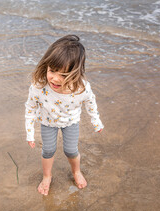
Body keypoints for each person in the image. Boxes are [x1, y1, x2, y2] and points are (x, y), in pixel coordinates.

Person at [25, 35, 104, 196]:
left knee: (70, 150)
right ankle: (47, 176)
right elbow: (30, 108)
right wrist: (30, 132)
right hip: (47, 122)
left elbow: (91, 103)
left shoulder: (81, 88)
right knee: (48, 150)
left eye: (63, 75)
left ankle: (76, 172)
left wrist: (96, 121)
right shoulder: (39, 87)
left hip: (71, 122)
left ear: (75, 73)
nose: (55, 78)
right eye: (52, 71)